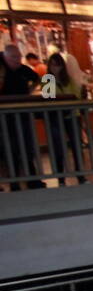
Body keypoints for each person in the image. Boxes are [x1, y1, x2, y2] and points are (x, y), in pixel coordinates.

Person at [0, 43, 43, 190]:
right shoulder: (2, 69)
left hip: (23, 115)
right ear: (6, 57)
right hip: (5, 118)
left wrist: (30, 93)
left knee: (27, 147)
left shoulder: (22, 70)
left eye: (19, 57)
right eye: (14, 58)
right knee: (10, 149)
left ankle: (31, 179)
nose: (17, 60)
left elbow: (42, 78)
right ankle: (15, 181)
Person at [45, 53, 87, 185]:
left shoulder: (68, 79)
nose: (55, 68)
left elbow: (75, 95)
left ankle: (80, 175)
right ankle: (61, 177)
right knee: (58, 147)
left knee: (76, 146)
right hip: (56, 117)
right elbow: (48, 98)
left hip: (71, 115)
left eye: (57, 65)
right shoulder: (48, 80)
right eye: (52, 65)